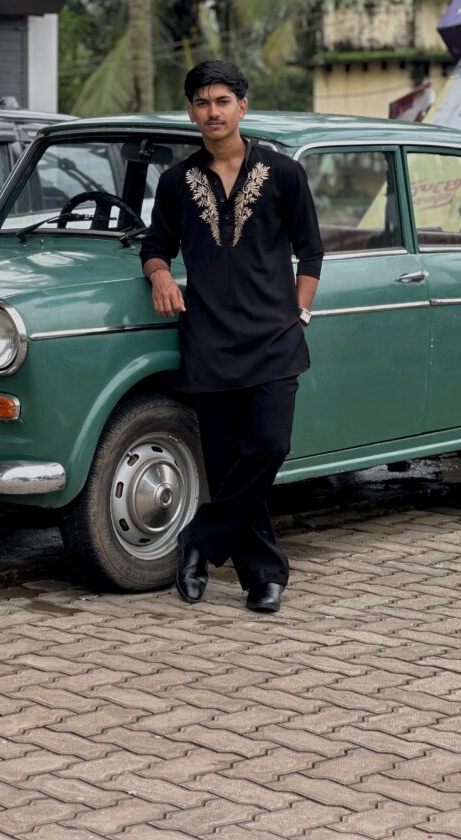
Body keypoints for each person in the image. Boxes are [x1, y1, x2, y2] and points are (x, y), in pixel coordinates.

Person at [139, 60, 323, 613]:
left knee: (269, 446)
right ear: (191, 111)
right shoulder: (176, 182)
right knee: (226, 465)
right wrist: (161, 274)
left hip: (274, 339)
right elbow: (154, 245)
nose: (212, 112)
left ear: (242, 107)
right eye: (201, 102)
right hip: (209, 341)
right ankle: (263, 577)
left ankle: (198, 541)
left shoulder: (284, 173)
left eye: (222, 101)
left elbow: (311, 250)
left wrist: (301, 312)